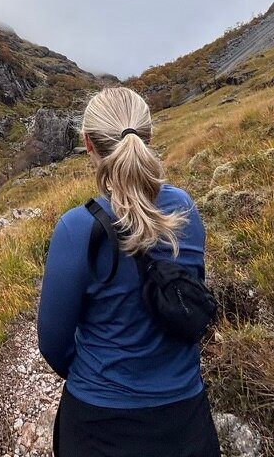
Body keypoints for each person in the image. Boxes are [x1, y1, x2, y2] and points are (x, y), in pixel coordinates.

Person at [37, 86, 219, 457]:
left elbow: (53, 344)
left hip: (97, 425)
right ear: (148, 137)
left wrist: (100, 376)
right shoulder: (183, 208)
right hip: (184, 419)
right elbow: (189, 294)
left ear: (88, 144)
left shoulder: (76, 229)